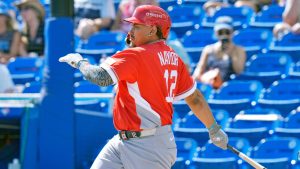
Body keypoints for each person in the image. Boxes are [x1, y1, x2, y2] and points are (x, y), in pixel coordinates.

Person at [59, 5, 228, 169]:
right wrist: (213, 128)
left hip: (148, 145)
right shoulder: (174, 59)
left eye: (137, 26)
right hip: (126, 140)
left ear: (152, 30)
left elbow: (100, 77)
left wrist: (80, 63)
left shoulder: (136, 55)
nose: (130, 31)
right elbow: (195, 98)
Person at [192, 16, 246, 89]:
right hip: (209, 85)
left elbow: (238, 71)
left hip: (229, 87)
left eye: (227, 32)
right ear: (216, 33)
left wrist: (230, 52)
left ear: (232, 32)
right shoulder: (208, 49)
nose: (224, 35)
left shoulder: (239, 50)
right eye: (220, 32)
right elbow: (199, 70)